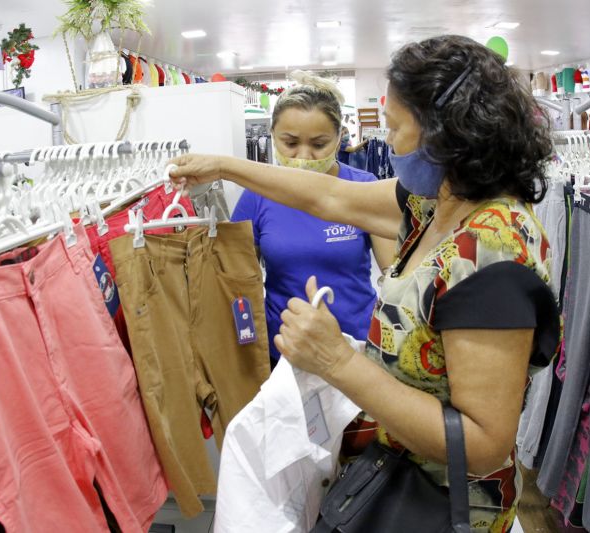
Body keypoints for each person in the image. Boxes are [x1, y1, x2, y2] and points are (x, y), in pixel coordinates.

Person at [171, 35, 560, 531]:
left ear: (446, 135)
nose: (390, 142)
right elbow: (328, 196)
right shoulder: (439, 203)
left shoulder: (494, 253)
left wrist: (336, 360)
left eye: (396, 127)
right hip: (391, 479)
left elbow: (484, 445)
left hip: (438, 508)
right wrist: (225, 166)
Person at [230, 70, 391, 368]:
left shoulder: (363, 187)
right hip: (285, 354)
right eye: (290, 143)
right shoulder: (257, 195)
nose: (304, 156)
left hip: (357, 349)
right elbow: (236, 281)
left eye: (319, 145)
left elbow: (394, 275)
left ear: (340, 137)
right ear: (272, 135)